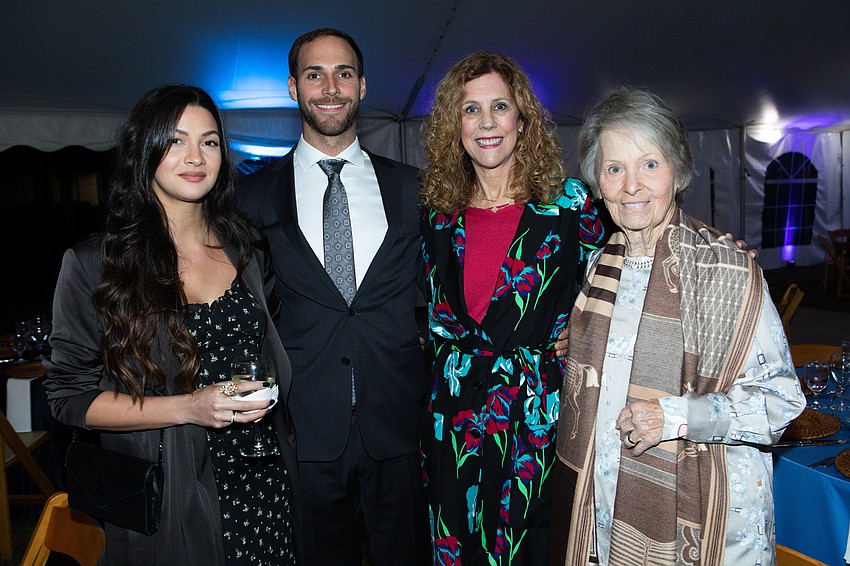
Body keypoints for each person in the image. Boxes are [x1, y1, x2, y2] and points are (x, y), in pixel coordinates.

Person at [547, 86, 806, 566]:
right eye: (614, 168)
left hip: (707, 521)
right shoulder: (600, 266)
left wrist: (678, 416)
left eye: (649, 164)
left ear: (678, 170)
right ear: (596, 181)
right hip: (604, 510)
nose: (631, 186)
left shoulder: (726, 269)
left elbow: (782, 402)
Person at [43, 84, 301, 564]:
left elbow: (273, 351)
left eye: (209, 142)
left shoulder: (246, 249)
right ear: (145, 151)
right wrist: (189, 407)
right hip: (172, 491)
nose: (195, 156)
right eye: (176, 140)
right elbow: (68, 397)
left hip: (264, 479)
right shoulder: (95, 264)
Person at [238, 28, 430, 565]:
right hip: (304, 426)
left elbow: (452, 286)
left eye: (344, 73)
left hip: (396, 421)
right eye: (314, 74)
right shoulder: (252, 195)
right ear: (294, 87)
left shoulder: (414, 189)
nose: (330, 87)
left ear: (363, 85)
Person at [418, 51, 606, 564]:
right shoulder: (438, 215)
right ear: (453, 126)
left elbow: (628, 270)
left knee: (531, 543)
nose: (486, 123)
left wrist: (584, 331)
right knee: (457, 542)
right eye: (470, 109)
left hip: (535, 415)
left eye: (499, 106)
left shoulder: (570, 205)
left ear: (522, 119)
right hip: (454, 417)